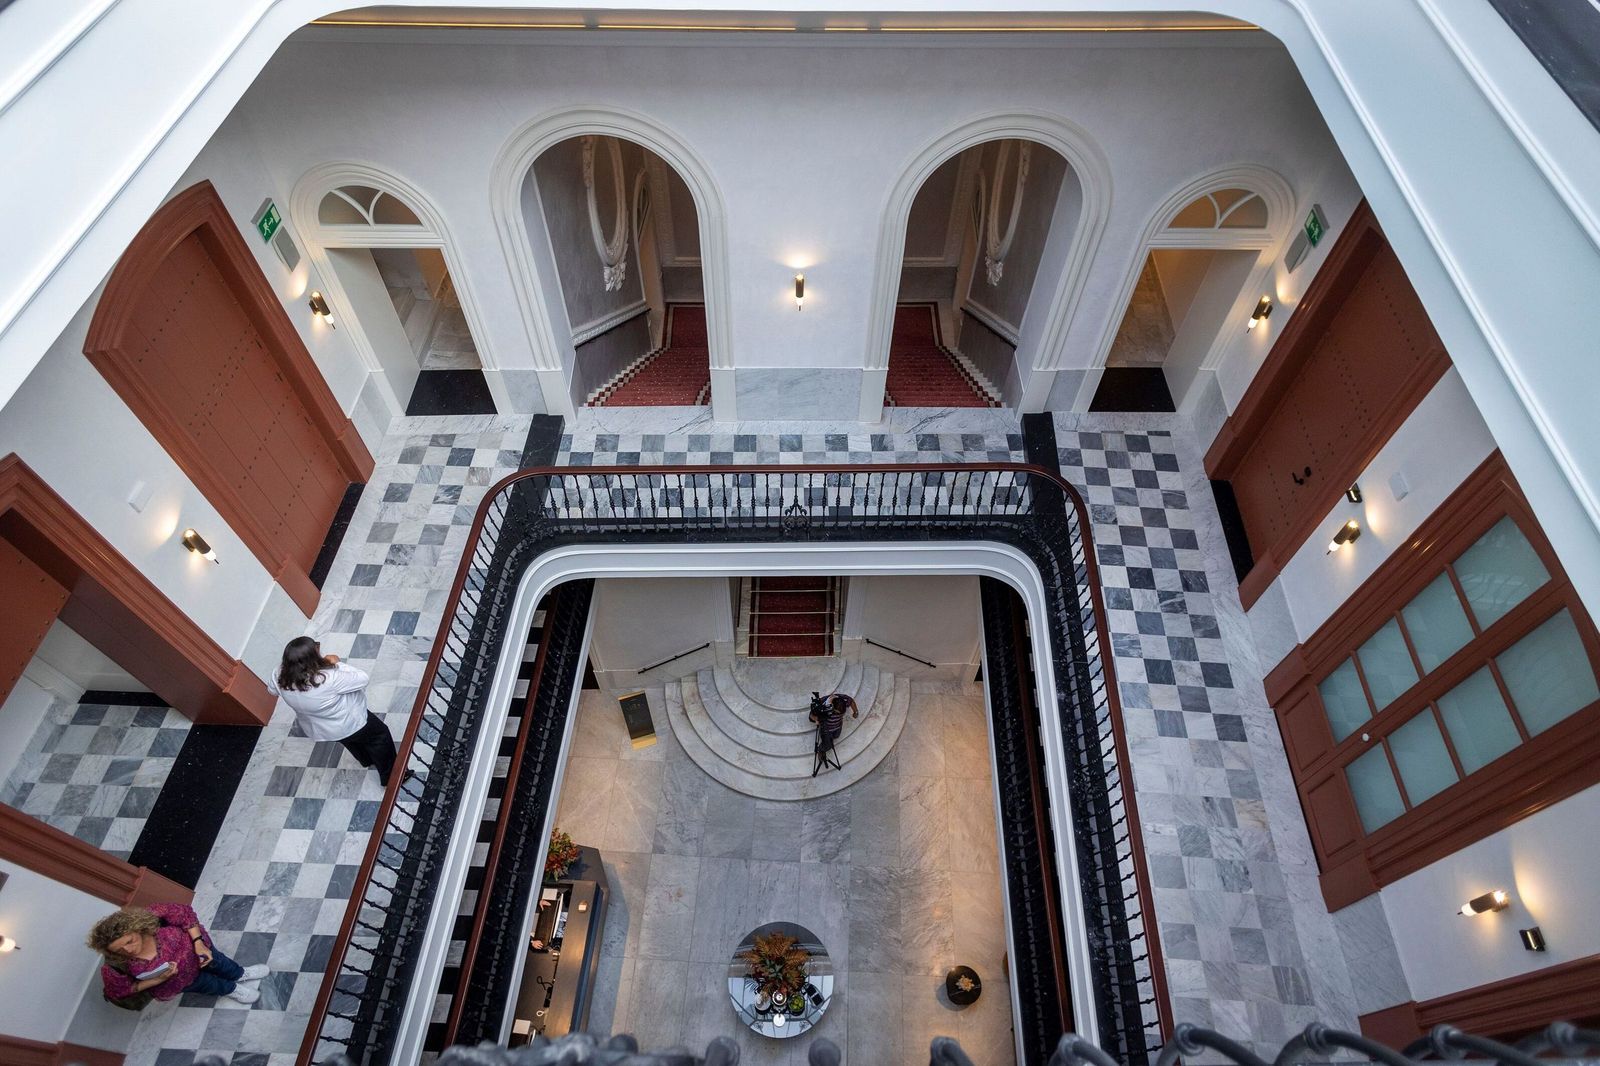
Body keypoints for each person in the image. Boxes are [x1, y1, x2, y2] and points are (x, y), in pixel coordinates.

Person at [269, 636, 400, 786]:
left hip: (324, 729)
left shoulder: (279, 675)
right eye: (316, 646)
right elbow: (362, 679)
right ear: (312, 657)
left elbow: (272, 690)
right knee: (379, 737)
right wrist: (338, 663)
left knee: (350, 741)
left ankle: (367, 759)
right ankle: (392, 777)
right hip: (351, 722)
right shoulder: (327, 678)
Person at [89, 903, 267, 1006]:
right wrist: (156, 980)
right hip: (182, 981)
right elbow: (119, 990)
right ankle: (233, 989)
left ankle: (240, 974)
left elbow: (185, 914)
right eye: (119, 950)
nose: (128, 950)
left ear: (136, 928)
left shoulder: (154, 917)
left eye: (129, 941)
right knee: (211, 985)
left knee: (222, 963)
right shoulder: (115, 964)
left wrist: (198, 943)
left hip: (200, 954)